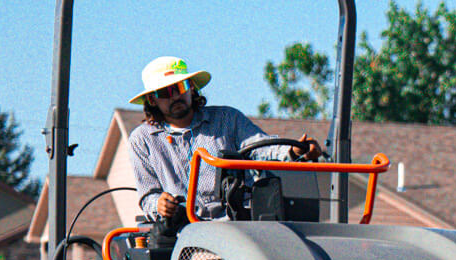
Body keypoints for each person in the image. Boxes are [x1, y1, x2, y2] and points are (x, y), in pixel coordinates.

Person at [128, 55, 323, 223]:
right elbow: (148, 197)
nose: (175, 96)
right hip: (183, 232)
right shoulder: (142, 140)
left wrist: (293, 151)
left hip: (237, 224)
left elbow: (260, 148)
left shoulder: (227, 119)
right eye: (165, 92)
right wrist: (160, 205)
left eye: (180, 87)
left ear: (192, 88)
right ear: (152, 100)